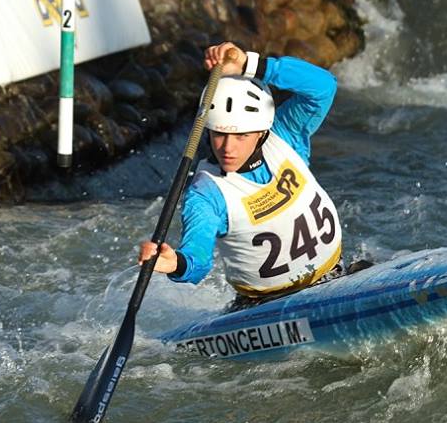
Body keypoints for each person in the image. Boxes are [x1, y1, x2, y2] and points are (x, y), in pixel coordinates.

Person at [138, 41, 343, 307]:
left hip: (335, 277)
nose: (228, 148)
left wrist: (250, 65)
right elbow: (198, 261)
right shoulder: (207, 194)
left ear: (261, 132)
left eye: (241, 136)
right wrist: (176, 263)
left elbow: (324, 86)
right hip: (266, 307)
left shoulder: (286, 135)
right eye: (219, 134)